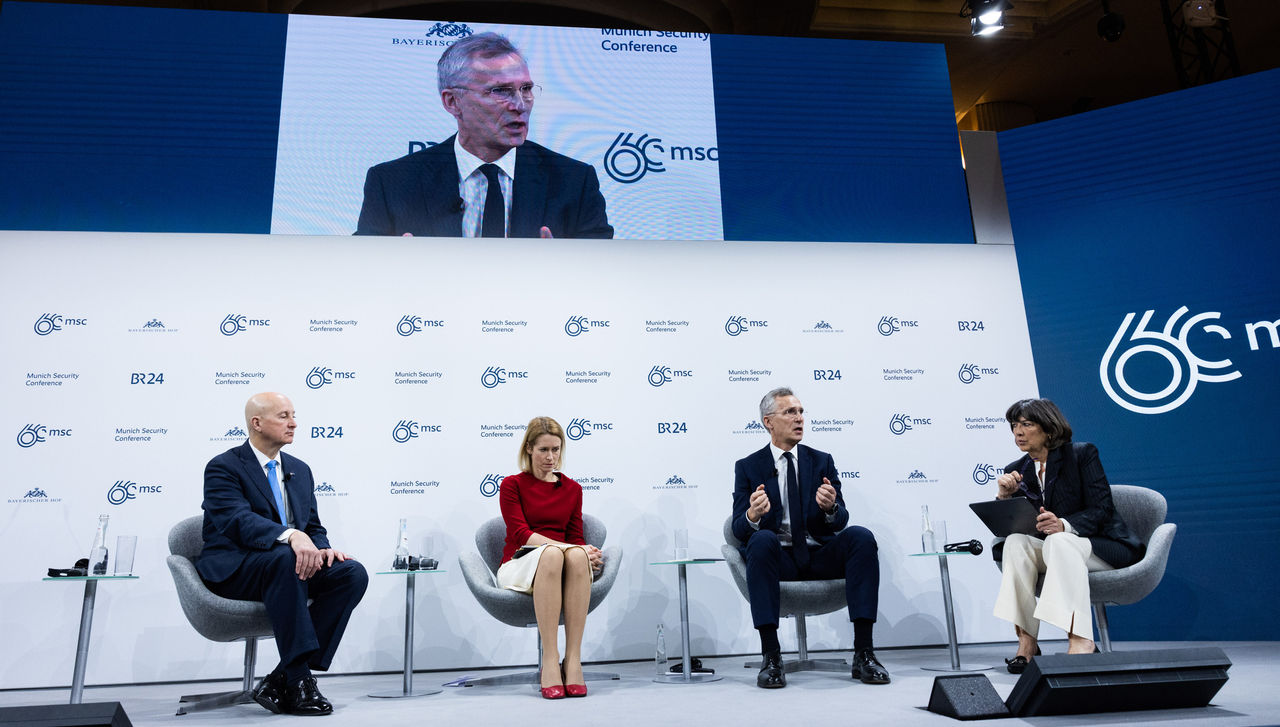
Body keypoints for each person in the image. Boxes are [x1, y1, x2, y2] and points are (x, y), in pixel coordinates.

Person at [197, 392, 368, 716]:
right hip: (237, 566)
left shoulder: (299, 470)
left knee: (350, 572)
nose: (293, 423)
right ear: (257, 423)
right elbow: (236, 520)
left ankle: (283, 677)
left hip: (286, 565)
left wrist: (321, 549)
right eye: (283, 416)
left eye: (294, 415)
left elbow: (312, 525)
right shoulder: (224, 467)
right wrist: (291, 536)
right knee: (286, 558)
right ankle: (299, 681)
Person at [355, 32, 613, 239]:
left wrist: (567, 267)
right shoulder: (391, 183)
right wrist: (389, 265)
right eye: (500, 91)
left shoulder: (574, 182)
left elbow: (602, 276)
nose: (520, 105)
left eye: (526, 89)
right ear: (453, 101)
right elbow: (360, 274)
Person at [730, 387, 890, 688]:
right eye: (790, 412)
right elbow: (738, 530)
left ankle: (864, 653)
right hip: (779, 559)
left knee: (861, 537)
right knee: (761, 539)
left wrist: (831, 508)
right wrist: (752, 515)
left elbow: (841, 521)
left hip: (819, 554)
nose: (799, 418)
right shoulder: (748, 467)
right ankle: (772, 656)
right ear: (768, 422)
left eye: (801, 412)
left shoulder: (821, 461)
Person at [993, 398, 1145, 673]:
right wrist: (1005, 498)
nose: (1018, 432)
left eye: (1026, 424)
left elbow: (1102, 509)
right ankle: (1027, 645)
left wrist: (1064, 524)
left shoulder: (1081, 455)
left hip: (1100, 547)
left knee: (1060, 540)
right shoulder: (1017, 470)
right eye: (1014, 425)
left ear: (1049, 429)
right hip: (1054, 549)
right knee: (1015, 543)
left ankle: (1081, 641)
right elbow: (1012, 529)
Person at [496, 416, 604, 699]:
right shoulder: (512, 485)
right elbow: (520, 534)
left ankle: (573, 660)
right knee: (557, 554)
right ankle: (549, 662)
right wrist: (571, 549)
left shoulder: (572, 489)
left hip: (561, 563)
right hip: (520, 563)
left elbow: (575, 537)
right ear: (529, 448)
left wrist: (582, 552)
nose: (551, 457)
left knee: (572, 556)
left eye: (556, 449)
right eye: (544, 450)